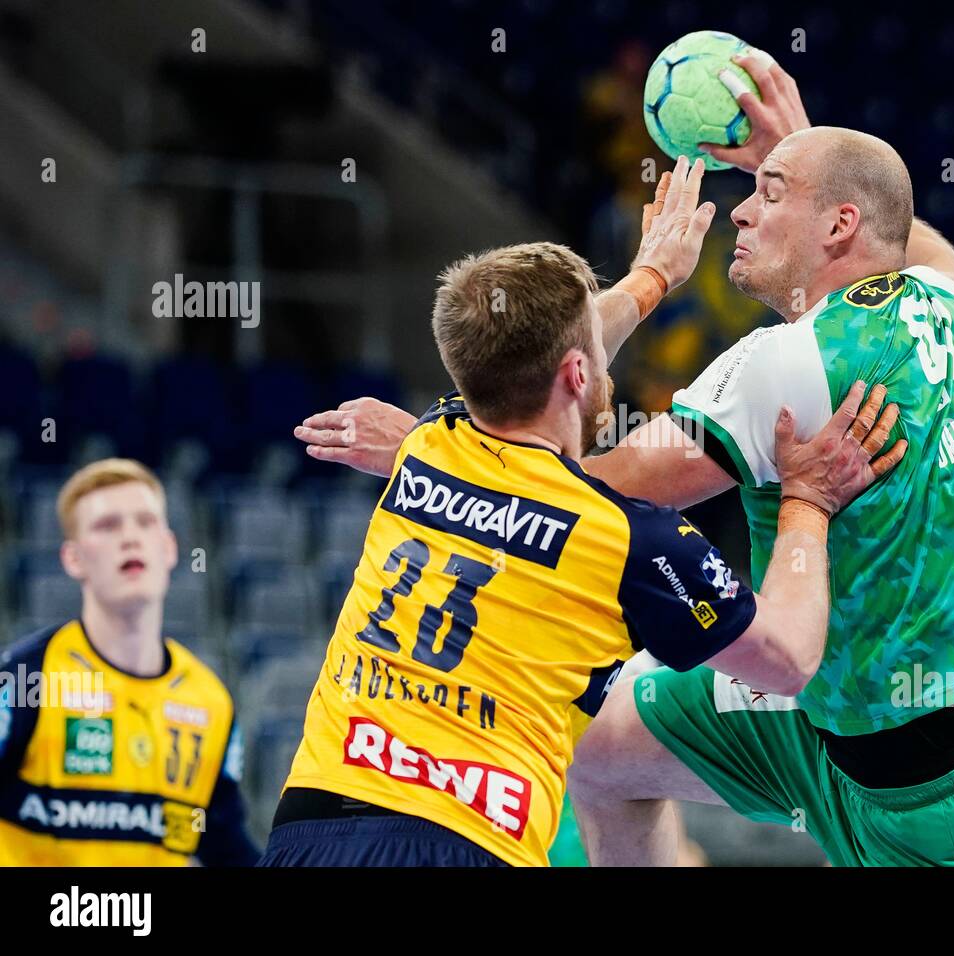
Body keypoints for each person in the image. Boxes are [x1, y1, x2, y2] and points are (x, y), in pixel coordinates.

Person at [297, 53, 954, 866]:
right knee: (596, 742)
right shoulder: (945, 303)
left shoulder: (788, 363)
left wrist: (429, 451)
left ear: (839, 226)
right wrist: (773, 173)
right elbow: (923, 250)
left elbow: (562, 484)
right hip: (815, 729)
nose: (739, 212)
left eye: (769, 194)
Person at [261, 212, 906, 864]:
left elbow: (526, 351)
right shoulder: (630, 537)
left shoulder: (430, 443)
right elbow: (788, 660)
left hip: (310, 821)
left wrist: (652, 278)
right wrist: (807, 500)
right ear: (575, 372)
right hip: (465, 839)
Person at [0, 458, 258, 866]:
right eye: (107, 526)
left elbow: (224, 845)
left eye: (145, 522)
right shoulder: (24, 678)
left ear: (169, 547)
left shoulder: (210, 701)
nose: (130, 538)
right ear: (73, 558)